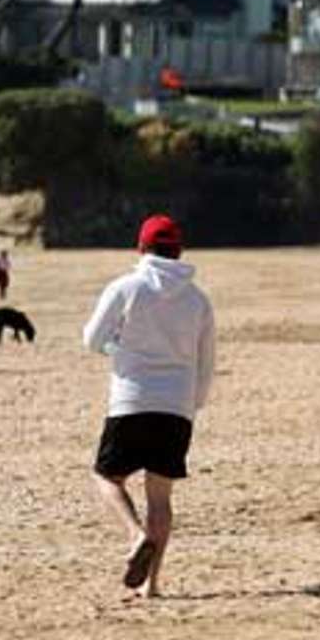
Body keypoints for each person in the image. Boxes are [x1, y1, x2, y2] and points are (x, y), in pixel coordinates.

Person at [81, 214, 216, 599]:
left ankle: (134, 533)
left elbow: (92, 339)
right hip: (176, 407)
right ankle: (153, 586)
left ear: (141, 248)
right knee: (161, 498)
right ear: (179, 251)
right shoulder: (198, 299)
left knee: (107, 477)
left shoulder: (127, 287)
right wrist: (193, 405)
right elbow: (206, 361)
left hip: (131, 399)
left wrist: (118, 349)